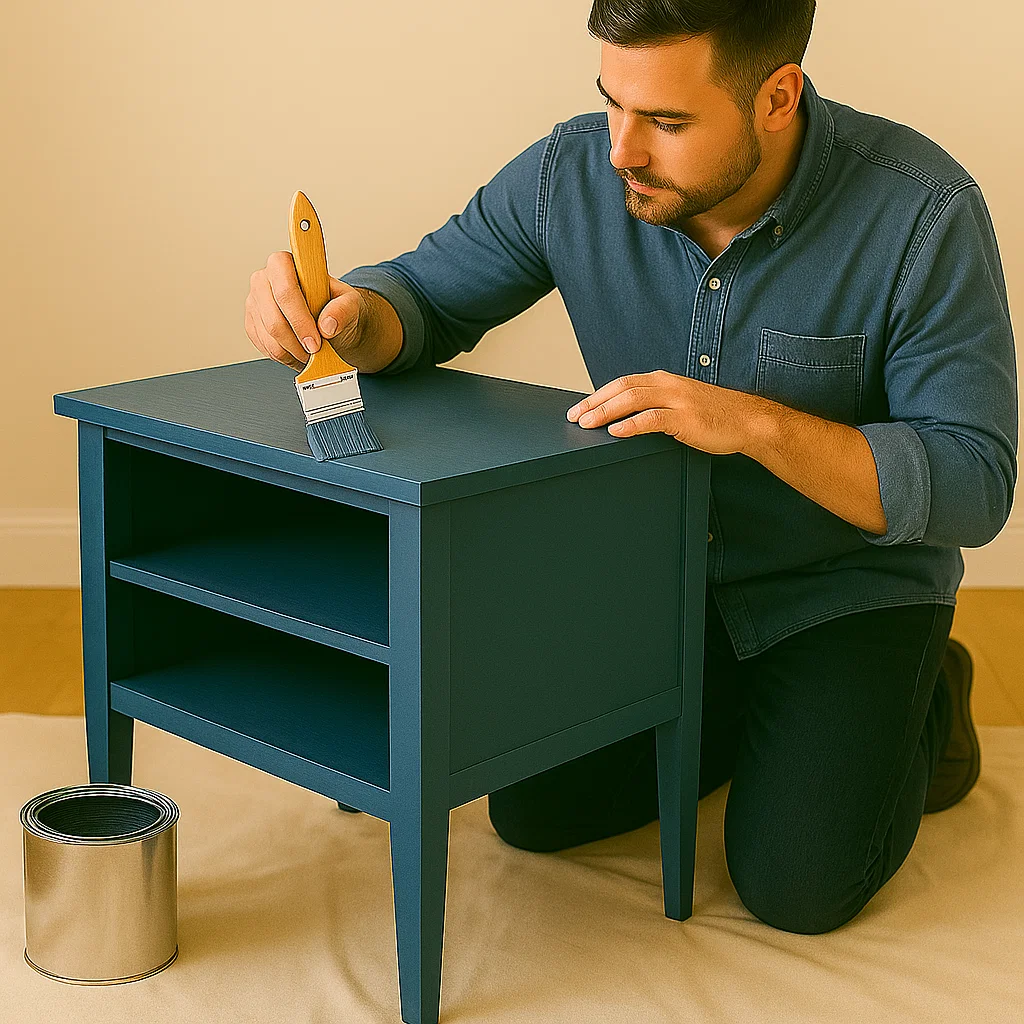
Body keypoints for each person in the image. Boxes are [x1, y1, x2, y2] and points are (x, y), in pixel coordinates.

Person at [243, 0, 1018, 934]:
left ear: (778, 96)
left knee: (798, 888)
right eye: (612, 102)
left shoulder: (923, 210)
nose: (623, 150)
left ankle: (930, 696)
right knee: (531, 812)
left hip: (846, 590)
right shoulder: (569, 172)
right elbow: (422, 302)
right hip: (663, 578)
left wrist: (756, 425)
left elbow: (974, 480)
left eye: (669, 122)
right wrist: (348, 320)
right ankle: (745, 711)